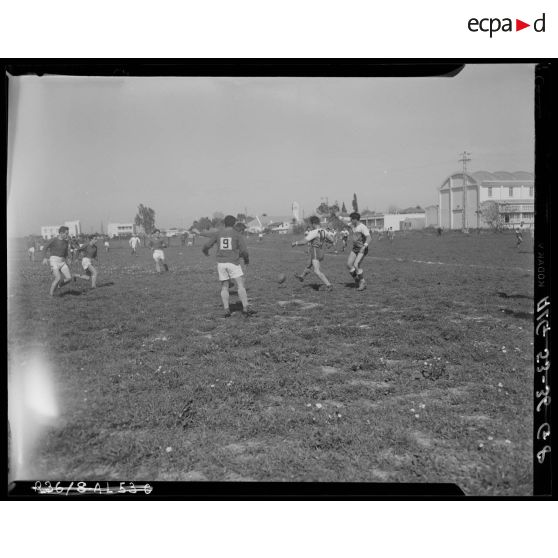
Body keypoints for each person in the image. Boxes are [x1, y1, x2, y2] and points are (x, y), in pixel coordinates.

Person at [202, 215, 253, 318]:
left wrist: (205, 251)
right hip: (233, 262)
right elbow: (244, 251)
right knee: (240, 284)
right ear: (234, 223)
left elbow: (207, 245)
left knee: (225, 286)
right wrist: (246, 260)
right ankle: (245, 307)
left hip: (221, 263)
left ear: (224, 223)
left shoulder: (218, 233)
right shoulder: (237, 234)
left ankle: (226, 309)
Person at [292, 216, 334, 290]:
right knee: (309, 264)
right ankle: (302, 276)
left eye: (311, 224)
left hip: (315, 250)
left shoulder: (314, 232)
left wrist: (295, 243)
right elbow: (332, 240)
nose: (311, 226)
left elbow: (304, 242)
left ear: (313, 223)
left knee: (316, 271)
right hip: (321, 252)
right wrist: (328, 244)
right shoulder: (324, 231)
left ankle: (329, 285)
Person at [42, 226, 73, 296]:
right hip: (54, 261)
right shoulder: (53, 240)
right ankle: (50, 295)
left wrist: (68, 258)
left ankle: (58, 286)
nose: (67, 235)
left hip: (62, 261)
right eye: (66, 233)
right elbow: (44, 248)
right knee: (58, 278)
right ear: (61, 233)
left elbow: (65, 252)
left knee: (69, 278)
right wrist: (44, 258)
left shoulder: (66, 242)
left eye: (68, 233)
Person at [346, 212, 372, 291]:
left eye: (351, 219)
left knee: (356, 265)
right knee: (349, 265)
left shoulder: (362, 227)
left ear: (355, 219)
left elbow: (369, 238)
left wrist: (364, 246)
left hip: (362, 249)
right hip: (355, 248)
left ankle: (362, 282)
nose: (350, 220)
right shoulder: (353, 226)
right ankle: (357, 280)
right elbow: (345, 222)